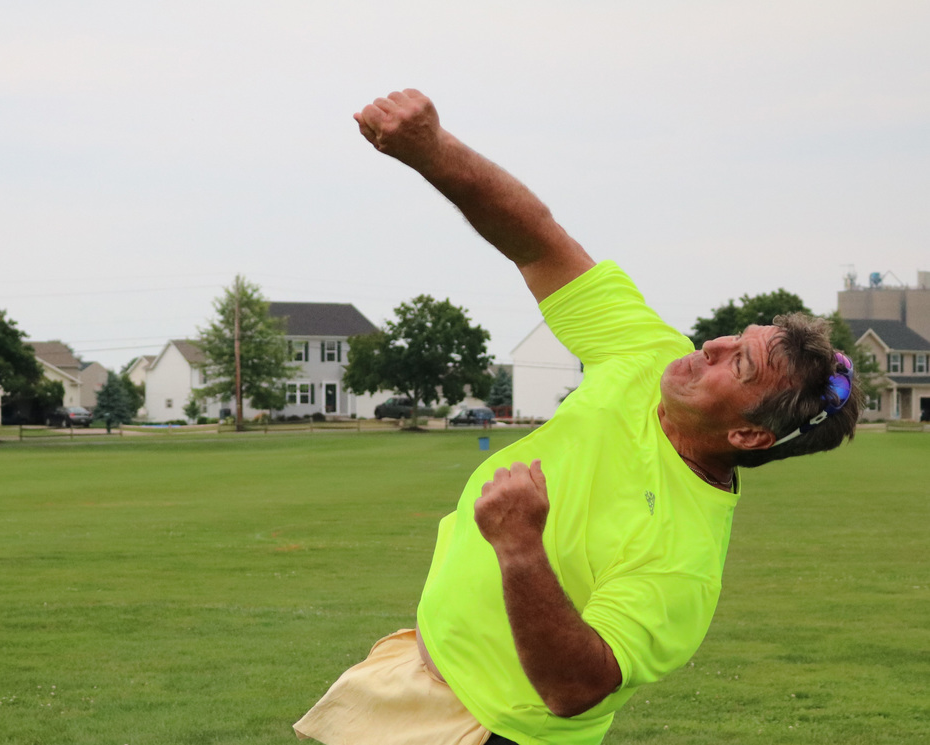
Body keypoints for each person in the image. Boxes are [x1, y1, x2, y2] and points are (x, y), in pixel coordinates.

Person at [294, 89, 861, 745]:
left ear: (748, 434)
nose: (711, 346)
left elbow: (575, 688)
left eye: (740, 364)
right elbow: (538, 245)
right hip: (419, 672)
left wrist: (520, 548)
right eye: (736, 336)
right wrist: (432, 151)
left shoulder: (682, 561)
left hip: (494, 730)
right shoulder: (649, 354)